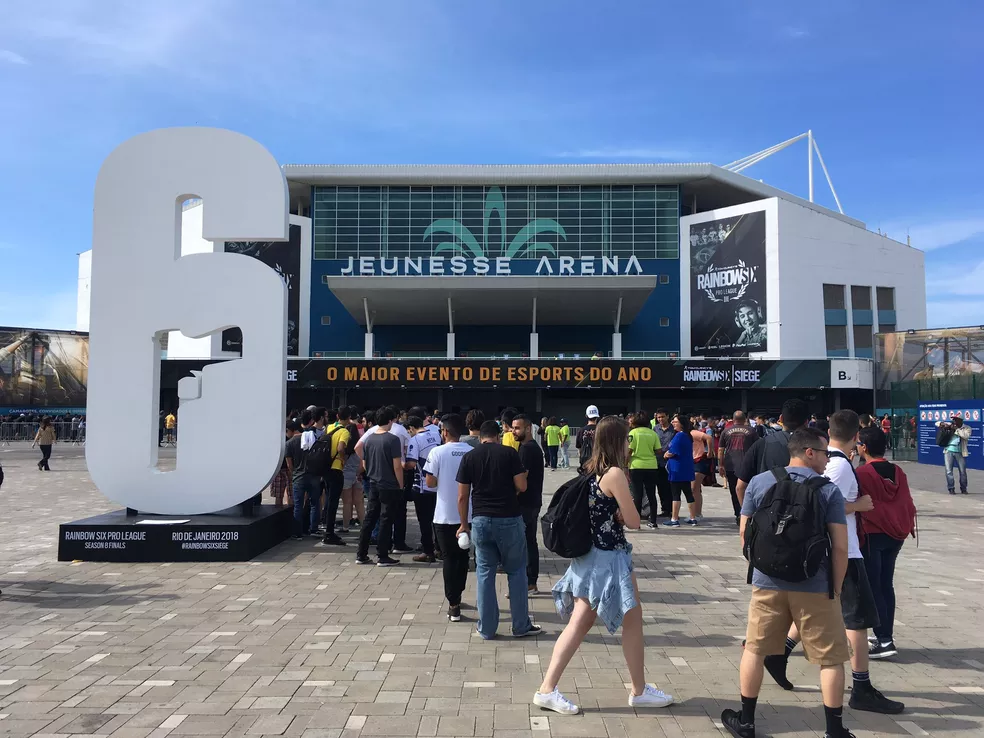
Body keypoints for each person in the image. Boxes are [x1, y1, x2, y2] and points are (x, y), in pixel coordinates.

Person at [763, 412, 904, 715]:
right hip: (844, 551)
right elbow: (823, 506)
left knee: (825, 610)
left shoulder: (836, 462)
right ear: (858, 435)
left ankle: (779, 654)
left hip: (838, 550)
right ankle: (861, 685)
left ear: (830, 430)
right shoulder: (839, 465)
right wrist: (859, 506)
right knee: (858, 620)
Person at [533, 416, 674, 715]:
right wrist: (624, 514)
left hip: (601, 557)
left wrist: (620, 515)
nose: (630, 444)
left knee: (632, 617)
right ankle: (547, 689)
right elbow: (635, 520)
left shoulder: (592, 470)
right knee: (581, 623)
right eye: (627, 439)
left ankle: (639, 689)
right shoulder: (615, 474)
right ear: (618, 441)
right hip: (606, 560)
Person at [722, 428, 852, 738]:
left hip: (767, 583)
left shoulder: (759, 482)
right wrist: (834, 588)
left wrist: (763, 566)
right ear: (809, 452)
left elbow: (745, 534)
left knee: (755, 649)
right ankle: (834, 730)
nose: (827, 459)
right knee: (831, 659)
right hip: (815, 583)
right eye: (825, 453)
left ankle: (747, 722)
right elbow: (841, 547)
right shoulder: (827, 490)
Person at [455, 420, 541, 640]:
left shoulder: (470, 457)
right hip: (509, 518)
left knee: (485, 573)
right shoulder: (510, 454)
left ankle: (487, 628)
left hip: (481, 520)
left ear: (480, 436)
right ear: (498, 435)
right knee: (517, 571)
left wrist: (464, 524)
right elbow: (522, 486)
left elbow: (463, 496)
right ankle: (521, 625)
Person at [856, 426, 917, 660]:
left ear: (864, 447)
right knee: (885, 585)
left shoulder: (863, 473)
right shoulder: (898, 471)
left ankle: (884, 640)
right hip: (896, 535)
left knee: (874, 587)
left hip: (872, 534)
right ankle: (885, 635)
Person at [424, 414, 474, 622]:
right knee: (463, 557)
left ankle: (453, 603)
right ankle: (458, 593)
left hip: (444, 515)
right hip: (468, 515)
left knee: (449, 559)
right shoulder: (472, 451)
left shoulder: (436, 452)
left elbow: (430, 483)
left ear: (444, 431)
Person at [735, 398, 810, 506]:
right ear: (807, 422)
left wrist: (749, 517)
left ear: (781, 418)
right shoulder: (817, 446)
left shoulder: (761, 444)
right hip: (805, 512)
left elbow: (740, 487)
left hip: (767, 514)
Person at [355, 407, 405, 567]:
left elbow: (364, 461)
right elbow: (397, 466)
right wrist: (401, 485)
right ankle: (382, 555)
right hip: (389, 485)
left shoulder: (368, 439)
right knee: (385, 520)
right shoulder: (392, 439)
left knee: (370, 519)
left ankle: (361, 554)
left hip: (373, 482)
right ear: (390, 421)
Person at [512, 414, 545, 594]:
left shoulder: (527, 449)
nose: (513, 431)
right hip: (532, 501)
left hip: (525, 503)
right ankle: (531, 581)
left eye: (517, 428)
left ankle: (528, 582)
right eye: (512, 427)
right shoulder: (530, 448)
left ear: (528, 429)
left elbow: (521, 480)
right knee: (529, 541)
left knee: (523, 543)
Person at [406, 410, 442, 563]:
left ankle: (428, 551)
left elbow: (412, 464)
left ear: (411, 428)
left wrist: (402, 463)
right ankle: (439, 548)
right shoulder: (436, 434)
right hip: (437, 484)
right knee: (437, 519)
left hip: (422, 485)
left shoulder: (415, 440)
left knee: (424, 521)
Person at [285, 410, 321, 539]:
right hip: (314, 475)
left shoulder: (289, 444)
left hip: (298, 476)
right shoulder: (313, 439)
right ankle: (314, 529)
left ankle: (297, 532)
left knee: (298, 505)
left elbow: (289, 464)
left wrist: (293, 474)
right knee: (315, 503)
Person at [321, 407, 352, 546]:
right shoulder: (344, 431)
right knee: (334, 502)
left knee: (328, 500)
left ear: (338, 415)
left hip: (325, 468)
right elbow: (340, 448)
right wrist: (343, 459)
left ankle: (326, 529)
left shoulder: (329, 427)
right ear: (349, 417)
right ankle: (329, 533)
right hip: (336, 469)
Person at [718, 411, 754, 526]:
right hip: (747, 465)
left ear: (733, 420)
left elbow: (720, 450)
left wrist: (721, 465)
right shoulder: (751, 431)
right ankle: (747, 513)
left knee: (734, 491)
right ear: (745, 420)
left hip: (730, 465)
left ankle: (738, 514)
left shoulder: (725, 431)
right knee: (748, 491)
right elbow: (757, 448)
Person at [628, 412, 661, 529]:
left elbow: (629, 450)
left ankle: (636, 523)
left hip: (636, 466)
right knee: (651, 494)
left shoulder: (633, 433)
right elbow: (658, 451)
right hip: (651, 466)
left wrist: (625, 463)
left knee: (637, 495)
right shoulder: (653, 433)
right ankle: (653, 521)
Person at [664, 414, 697, 527]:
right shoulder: (688, 436)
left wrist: (666, 454)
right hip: (686, 468)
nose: (673, 423)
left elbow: (672, 452)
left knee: (675, 494)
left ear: (681, 424)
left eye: (675, 421)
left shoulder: (679, 436)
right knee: (688, 493)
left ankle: (674, 519)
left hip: (677, 469)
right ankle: (693, 518)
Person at [339, 406, 364, 532]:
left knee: (347, 502)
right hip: (357, 474)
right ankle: (364, 526)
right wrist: (359, 472)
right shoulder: (359, 446)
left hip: (346, 474)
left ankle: (345, 526)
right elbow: (362, 462)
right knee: (359, 502)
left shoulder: (346, 449)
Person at [936, 414, 971, 494]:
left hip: (960, 452)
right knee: (949, 471)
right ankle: (951, 488)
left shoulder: (967, 428)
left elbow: (966, 436)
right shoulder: (950, 425)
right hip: (948, 450)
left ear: (961, 420)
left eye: (956, 419)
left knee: (962, 471)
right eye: (953, 419)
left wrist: (956, 430)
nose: (954, 421)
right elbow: (937, 423)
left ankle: (963, 488)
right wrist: (942, 424)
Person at [652, 409, 674, 517]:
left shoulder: (673, 429)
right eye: (658, 417)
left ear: (667, 416)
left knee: (671, 487)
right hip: (657, 462)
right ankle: (665, 509)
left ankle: (672, 509)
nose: (660, 419)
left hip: (670, 462)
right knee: (660, 487)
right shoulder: (655, 429)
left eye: (662, 417)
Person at [271, 420, 296, 507]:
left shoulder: (277, 439)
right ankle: (290, 514)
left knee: (278, 495)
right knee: (291, 494)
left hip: (278, 469)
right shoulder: (291, 441)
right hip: (289, 469)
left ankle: (277, 514)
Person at [690, 422, 712, 520]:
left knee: (694, 488)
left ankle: (697, 514)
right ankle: (696, 513)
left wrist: (710, 452)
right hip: (690, 462)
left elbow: (709, 438)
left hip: (699, 461)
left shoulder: (693, 432)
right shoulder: (680, 434)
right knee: (696, 489)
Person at [575, 406, 600, 474]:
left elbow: (579, 448)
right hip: (598, 460)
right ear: (597, 417)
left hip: (585, 461)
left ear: (586, 416)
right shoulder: (601, 430)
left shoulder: (581, 431)